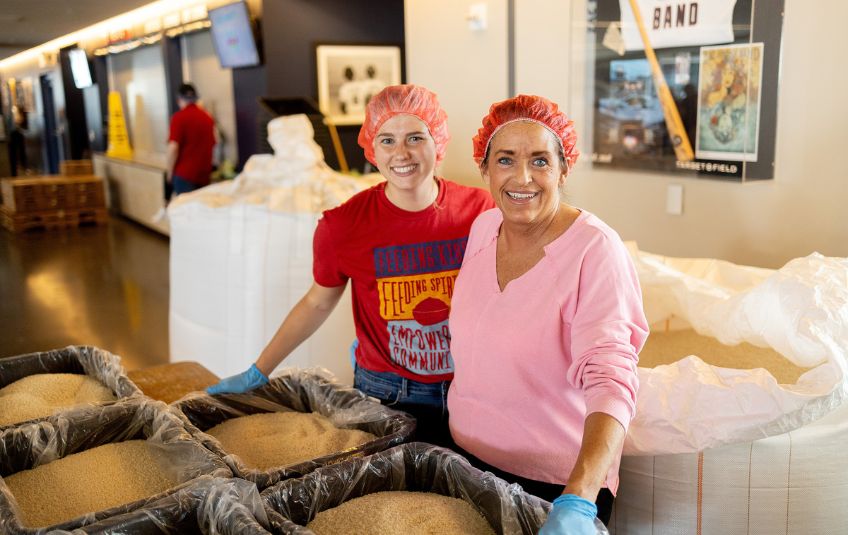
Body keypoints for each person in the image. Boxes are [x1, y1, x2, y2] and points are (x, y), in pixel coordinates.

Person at [207, 85, 495, 447]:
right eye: (387, 140)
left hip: (472, 387)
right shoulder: (343, 225)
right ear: (372, 148)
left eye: (415, 137)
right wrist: (260, 369)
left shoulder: (481, 211)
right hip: (390, 393)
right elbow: (317, 301)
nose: (401, 153)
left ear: (438, 140)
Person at [447, 95, 648, 532]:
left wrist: (577, 498)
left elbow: (612, 379)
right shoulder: (484, 227)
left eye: (540, 161)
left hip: (551, 485)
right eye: (505, 160)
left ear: (563, 168)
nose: (522, 177)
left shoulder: (595, 250)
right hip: (464, 464)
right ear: (485, 169)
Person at [166, 83, 215, 196]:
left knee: (185, 211)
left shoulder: (179, 118)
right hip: (204, 175)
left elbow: (173, 148)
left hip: (184, 176)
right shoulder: (207, 118)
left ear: (179, 99)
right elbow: (213, 144)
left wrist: (169, 172)